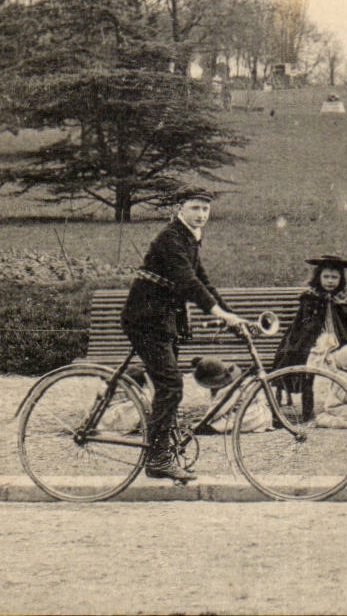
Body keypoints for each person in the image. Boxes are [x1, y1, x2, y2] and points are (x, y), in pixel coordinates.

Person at [120, 189, 247, 482]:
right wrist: (221, 315)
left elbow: (204, 283)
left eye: (205, 209)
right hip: (146, 320)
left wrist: (232, 317)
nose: (201, 214)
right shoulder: (171, 238)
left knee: (169, 386)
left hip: (162, 321)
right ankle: (158, 459)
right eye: (195, 208)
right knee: (172, 386)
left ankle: (164, 449)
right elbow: (189, 284)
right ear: (180, 208)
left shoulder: (189, 238)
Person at [270, 254, 347, 420]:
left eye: (334, 277)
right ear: (318, 278)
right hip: (314, 341)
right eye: (326, 277)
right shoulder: (311, 298)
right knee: (311, 363)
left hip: (341, 342)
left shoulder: (346, 299)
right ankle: (308, 410)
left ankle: (342, 406)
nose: (330, 281)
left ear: (341, 279)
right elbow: (302, 325)